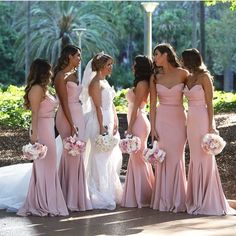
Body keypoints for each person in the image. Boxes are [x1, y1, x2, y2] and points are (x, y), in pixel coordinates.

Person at [182, 48, 236, 215]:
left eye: (184, 59)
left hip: (202, 118)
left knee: (204, 157)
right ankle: (195, 198)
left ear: (190, 60)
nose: (181, 62)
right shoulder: (188, 77)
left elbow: (210, 103)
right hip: (190, 119)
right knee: (195, 157)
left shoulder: (205, 77)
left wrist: (211, 126)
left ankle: (207, 199)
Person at [17, 58, 69, 216]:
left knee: (50, 167)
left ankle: (48, 200)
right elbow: (34, 114)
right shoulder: (36, 89)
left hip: (49, 129)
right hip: (41, 130)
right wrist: (34, 137)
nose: (51, 73)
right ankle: (42, 202)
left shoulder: (45, 89)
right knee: (43, 167)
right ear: (41, 72)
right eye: (48, 70)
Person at [150, 43, 188, 212]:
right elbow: (152, 104)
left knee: (176, 157)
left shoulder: (184, 73)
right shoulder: (155, 77)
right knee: (163, 158)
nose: (154, 58)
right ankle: (163, 200)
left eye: (156, 54)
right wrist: (152, 127)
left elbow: (196, 93)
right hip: (162, 119)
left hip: (179, 119)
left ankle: (179, 199)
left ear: (166, 55)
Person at [53, 45, 92, 212]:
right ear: (69, 56)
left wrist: (79, 112)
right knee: (70, 153)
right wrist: (71, 123)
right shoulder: (60, 76)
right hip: (66, 116)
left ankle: (76, 196)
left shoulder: (74, 74)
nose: (80, 58)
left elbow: (75, 97)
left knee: (78, 153)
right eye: (77, 55)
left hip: (78, 114)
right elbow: (63, 101)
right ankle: (68, 196)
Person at [82, 52, 123, 210]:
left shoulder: (104, 81)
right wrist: (101, 128)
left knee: (109, 158)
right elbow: (98, 107)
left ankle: (109, 191)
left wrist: (116, 120)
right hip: (99, 122)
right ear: (100, 67)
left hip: (109, 119)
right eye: (108, 65)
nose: (111, 67)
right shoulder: (94, 83)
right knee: (100, 158)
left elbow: (110, 104)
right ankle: (99, 193)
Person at [121, 55, 154, 208]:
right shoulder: (141, 82)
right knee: (137, 158)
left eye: (134, 64)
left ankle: (143, 196)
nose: (132, 67)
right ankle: (137, 195)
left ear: (140, 67)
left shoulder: (142, 83)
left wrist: (129, 127)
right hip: (137, 120)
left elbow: (136, 107)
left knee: (138, 158)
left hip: (138, 121)